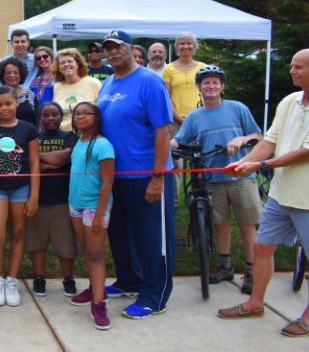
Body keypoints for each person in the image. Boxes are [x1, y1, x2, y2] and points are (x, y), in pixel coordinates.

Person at [218, 49, 309, 338]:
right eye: (292, 66)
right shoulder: (290, 101)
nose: (291, 71)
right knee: (262, 247)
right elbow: (270, 141)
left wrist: (260, 164)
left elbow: (305, 152)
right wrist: (244, 163)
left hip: (307, 201)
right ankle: (256, 302)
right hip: (282, 196)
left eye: (299, 67)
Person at [97, 30, 175, 319]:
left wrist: (157, 176)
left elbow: (163, 130)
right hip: (115, 175)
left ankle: (155, 295)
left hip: (145, 174)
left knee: (150, 237)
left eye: (119, 47)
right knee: (119, 234)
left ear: (131, 49)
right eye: (109, 48)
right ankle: (129, 279)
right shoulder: (107, 82)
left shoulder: (149, 81)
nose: (113, 51)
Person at [171, 65, 262, 293]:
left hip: (241, 175)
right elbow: (180, 140)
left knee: (247, 225)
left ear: (222, 86)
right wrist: (163, 143)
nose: (210, 86)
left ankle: (252, 271)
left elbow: (258, 135)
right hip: (212, 177)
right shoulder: (194, 116)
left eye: (215, 82)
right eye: (206, 83)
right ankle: (225, 266)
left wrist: (242, 138)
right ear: (199, 87)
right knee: (220, 224)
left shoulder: (237, 108)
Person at [0, 86, 40, 307]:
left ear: (17, 104)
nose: (4, 108)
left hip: (21, 188)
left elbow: (34, 163)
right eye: (0, 105)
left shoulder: (28, 129)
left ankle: (12, 280)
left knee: (18, 233)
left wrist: (34, 196)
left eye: (8, 103)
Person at [67, 102, 115, 331]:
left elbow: (107, 181)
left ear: (96, 118)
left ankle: (99, 304)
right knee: (87, 250)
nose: (80, 116)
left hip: (94, 207)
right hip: (75, 205)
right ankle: (95, 288)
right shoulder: (79, 142)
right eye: (77, 113)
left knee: (96, 254)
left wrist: (99, 213)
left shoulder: (103, 145)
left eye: (86, 113)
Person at [27, 102, 78, 298]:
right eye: (45, 115)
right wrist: (50, 163)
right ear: (40, 118)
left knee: (66, 244)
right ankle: (39, 278)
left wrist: (37, 159)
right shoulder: (34, 138)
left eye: (54, 115)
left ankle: (68, 278)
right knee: (37, 243)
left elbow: (65, 157)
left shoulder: (70, 137)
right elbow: (26, 164)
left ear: (60, 117)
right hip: (37, 200)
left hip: (62, 200)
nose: (50, 119)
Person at [52, 48, 102, 132]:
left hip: (87, 136)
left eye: (70, 61)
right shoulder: (57, 87)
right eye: (62, 63)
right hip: (64, 137)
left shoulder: (93, 83)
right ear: (58, 67)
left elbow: (102, 111)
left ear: (78, 64)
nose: (66, 64)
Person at [163, 32, 206, 125]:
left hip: (200, 119)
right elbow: (166, 98)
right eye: (182, 43)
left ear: (194, 46)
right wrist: (179, 119)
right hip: (176, 121)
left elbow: (207, 94)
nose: (185, 46)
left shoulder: (203, 68)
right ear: (177, 46)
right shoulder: (168, 69)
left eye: (189, 43)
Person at [0, 57, 36, 125]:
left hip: (29, 134)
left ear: (21, 75)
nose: (12, 75)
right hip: (4, 135)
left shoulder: (30, 95)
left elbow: (36, 120)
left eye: (16, 72)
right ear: (3, 75)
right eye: (8, 73)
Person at [28, 45, 55, 110]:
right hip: (39, 114)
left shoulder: (60, 76)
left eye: (45, 56)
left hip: (54, 114)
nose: (42, 59)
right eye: (38, 58)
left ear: (51, 57)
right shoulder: (35, 79)